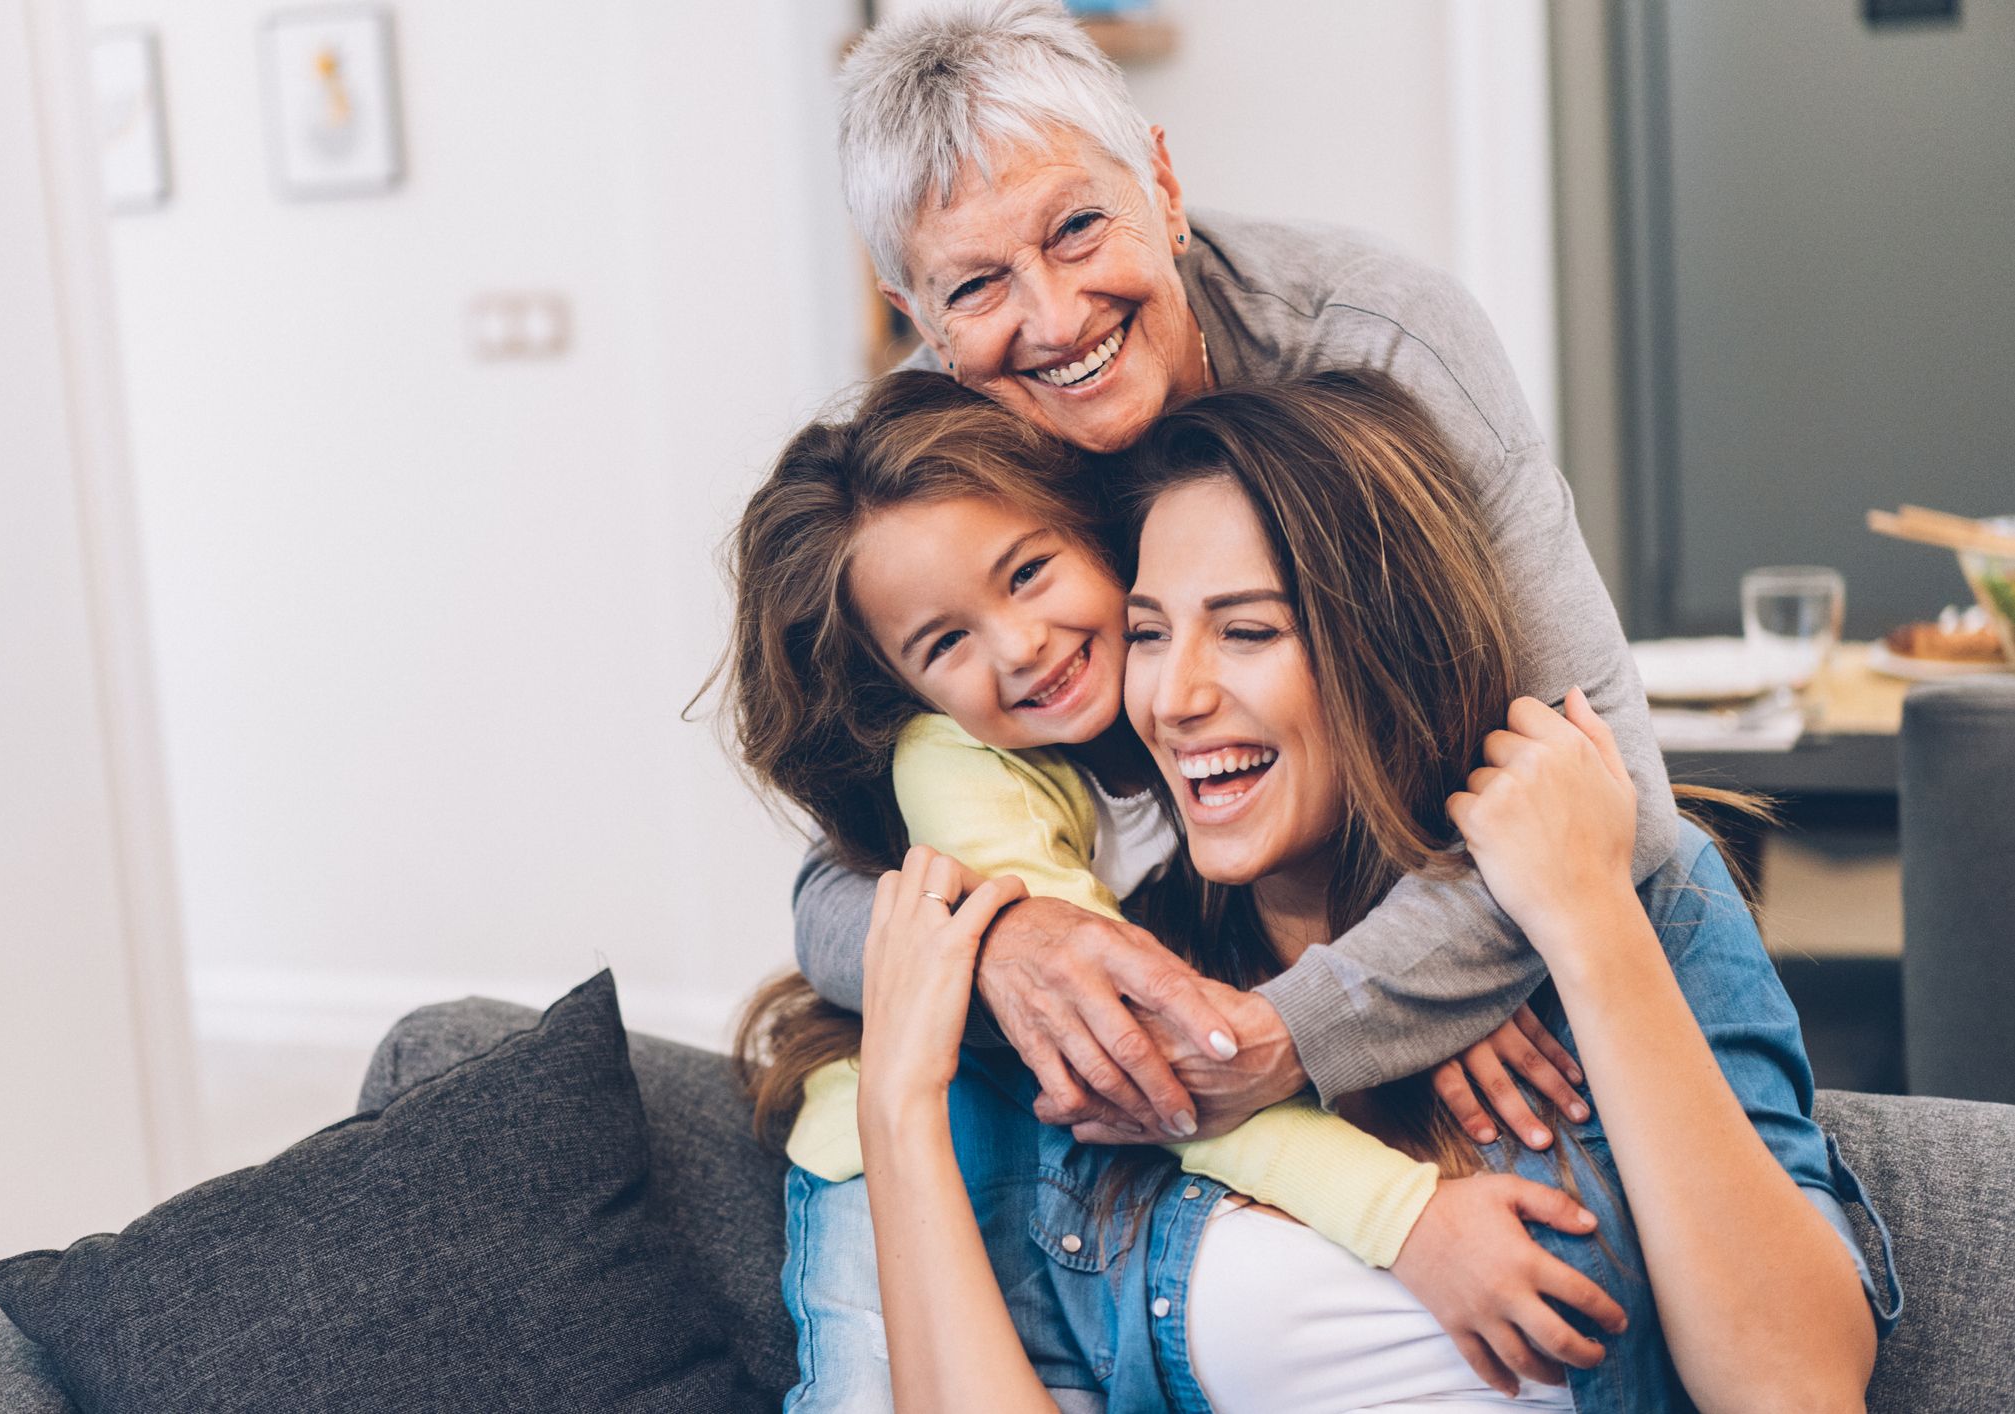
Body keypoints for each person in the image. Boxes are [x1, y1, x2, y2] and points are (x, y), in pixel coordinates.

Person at [843, 373, 1894, 1412]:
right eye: (1152, 632)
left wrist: (1587, 922)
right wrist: (898, 1107)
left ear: (1384, 647)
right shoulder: (1131, 987)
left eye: (1248, 632)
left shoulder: (1639, 901)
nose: (1174, 697)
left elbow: (1796, 1389)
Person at [795, 0, 1675, 1151]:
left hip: (1435, 967)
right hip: (1183, 985)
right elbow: (829, 894)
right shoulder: (925, 471)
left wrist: (1315, 1017)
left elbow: (1619, 800)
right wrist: (1004, 944)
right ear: (919, 321)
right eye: (975, 288)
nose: (1054, 319)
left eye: (1074, 229)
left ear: (1161, 185)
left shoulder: (1381, 343)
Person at [721, 370, 1623, 1407]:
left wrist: (1437, 992)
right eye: (945, 642)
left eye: (1027, 573)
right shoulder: (960, 767)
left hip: (1076, 1144)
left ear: (1095, 532)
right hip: (899, 1156)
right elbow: (1145, 1054)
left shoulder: (1178, 706)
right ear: (905, 687)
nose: (1020, 647)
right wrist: (1406, 1218)